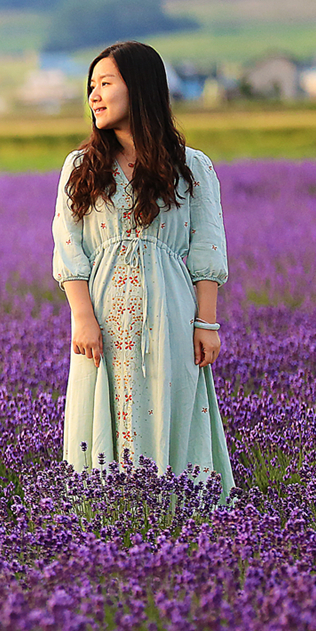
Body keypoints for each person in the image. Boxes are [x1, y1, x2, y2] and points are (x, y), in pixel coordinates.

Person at [52, 40, 234, 502]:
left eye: (106, 84)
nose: (94, 95)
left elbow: (207, 246)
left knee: (170, 404)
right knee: (103, 415)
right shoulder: (81, 167)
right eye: (90, 86)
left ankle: (178, 516)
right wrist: (82, 319)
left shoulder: (192, 167)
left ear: (141, 88)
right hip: (103, 317)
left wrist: (206, 323)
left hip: (171, 312)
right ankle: (108, 523)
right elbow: (69, 247)